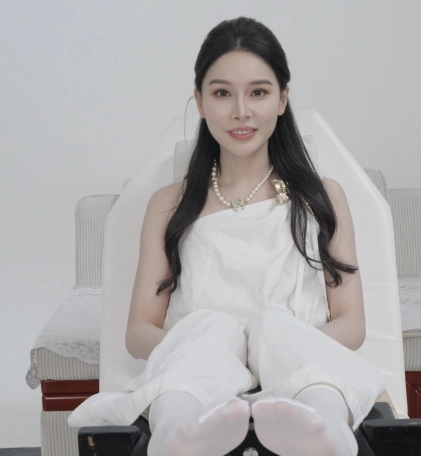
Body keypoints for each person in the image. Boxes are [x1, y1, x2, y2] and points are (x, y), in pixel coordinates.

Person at [68, 16, 386, 456]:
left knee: (277, 329)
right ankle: (179, 436)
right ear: (200, 101)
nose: (241, 111)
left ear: (282, 98)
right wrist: (211, 349)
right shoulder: (169, 204)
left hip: (303, 366)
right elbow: (139, 331)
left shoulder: (323, 197)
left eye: (258, 92)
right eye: (222, 93)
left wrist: (271, 349)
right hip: (196, 377)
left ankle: (323, 431)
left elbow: (352, 323)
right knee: (210, 332)